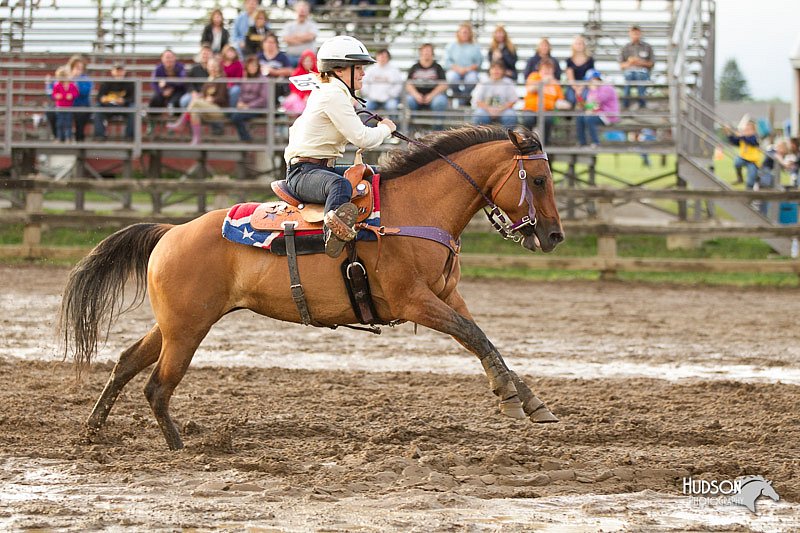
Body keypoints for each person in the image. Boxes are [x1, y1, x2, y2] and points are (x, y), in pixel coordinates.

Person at [284, 36, 395, 258]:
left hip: (316, 169)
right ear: (339, 69)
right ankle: (331, 239)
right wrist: (386, 129)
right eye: (359, 67)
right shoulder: (333, 94)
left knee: (376, 174)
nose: (363, 73)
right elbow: (362, 138)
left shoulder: (332, 91)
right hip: (303, 173)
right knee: (340, 185)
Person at [167, 57, 229, 145]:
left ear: (218, 67)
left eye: (214, 66)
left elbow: (222, 98)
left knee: (195, 102)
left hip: (218, 110)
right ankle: (196, 139)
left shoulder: (222, 79)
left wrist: (213, 99)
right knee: (195, 111)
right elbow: (203, 94)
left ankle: (181, 123)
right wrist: (201, 97)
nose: (212, 69)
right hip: (207, 109)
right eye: (210, 66)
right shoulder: (209, 79)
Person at [522, 58, 566, 143]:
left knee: (548, 120)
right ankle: (527, 143)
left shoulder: (555, 83)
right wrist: (543, 82)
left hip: (547, 110)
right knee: (528, 119)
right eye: (545, 68)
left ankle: (545, 145)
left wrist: (564, 104)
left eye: (549, 68)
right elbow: (531, 89)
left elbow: (560, 99)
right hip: (531, 109)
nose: (547, 71)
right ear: (540, 69)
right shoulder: (534, 76)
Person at [575, 69, 620, 147]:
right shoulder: (593, 90)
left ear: (597, 79)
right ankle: (582, 143)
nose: (589, 83)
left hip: (609, 116)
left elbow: (597, 101)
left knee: (589, 119)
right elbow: (589, 105)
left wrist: (593, 90)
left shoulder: (606, 87)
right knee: (580, 117)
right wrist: (579, 96)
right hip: (598, 114)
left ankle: (596, 142)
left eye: (591, 80)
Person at [230, 56, 269, 141]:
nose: (252, 67)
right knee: (231, 114)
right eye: (250, 66)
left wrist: (248, 106)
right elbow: (241, 94)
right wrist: (240, 102)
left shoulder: (264, 80)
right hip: (244, 107)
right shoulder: (245, 78)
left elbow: (263, 99)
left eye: (254, 65)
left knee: (236, 117)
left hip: (258, 107)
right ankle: (246, 138)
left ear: (258, 67)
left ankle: (246, 139)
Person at [93, 62, 135, 141]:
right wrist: (103, 99)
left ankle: (129, 137)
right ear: (112, 71)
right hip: (109, 106)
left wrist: (124, 101)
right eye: (117, 70)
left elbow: (133, 98)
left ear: (124, 71)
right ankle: (100, 136)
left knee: (134, 109)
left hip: (124, 107)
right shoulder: (106, 82)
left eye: (121, 70)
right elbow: (99, 97)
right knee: (98, 107)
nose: (119, 73)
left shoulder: (130, 83)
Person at [444, 22, 482, 103]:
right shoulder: (451, 46)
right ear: (458, 33)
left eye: (466, 32)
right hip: (455, 70)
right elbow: (447, 61)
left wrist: (467, 69)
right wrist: (458, 69)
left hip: (470, 71)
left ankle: (463, 99)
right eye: (463, 32)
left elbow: (478, 62)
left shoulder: (475, 46)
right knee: (451, 78)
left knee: (472, 79)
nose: (464, 34)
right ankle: (459, 96)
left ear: (470, 34)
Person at [472, 61, 518, 128]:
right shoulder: (483, 82)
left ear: (503, 71)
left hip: (503, 110)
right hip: (485, 110)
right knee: (479, 114)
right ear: (490, 70)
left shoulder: (508, 82)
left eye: (499, 69)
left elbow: (513, 100)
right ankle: (483, 137)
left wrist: (500, 109)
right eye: (493, 68)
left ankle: (507, 137)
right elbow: (477, 100)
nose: (496, 71)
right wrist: (489, 109)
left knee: (510, 115)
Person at [405, 43, 448, 113]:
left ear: (432, 53)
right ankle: (413, 123)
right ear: (420, 53)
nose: (426, 52)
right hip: (417, 96)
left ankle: (437, 124)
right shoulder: (414, 67)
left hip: (434, 96)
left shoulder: (438, 67)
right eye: (424, 50)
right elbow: (408, 84)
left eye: (428, 51)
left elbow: (443, 85)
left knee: (440, 101)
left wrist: (431, 96)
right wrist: (416, 95)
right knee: (408, 99)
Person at [619, 24, 654, 110]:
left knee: (640, 75)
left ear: (640, 34)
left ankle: (642, 103)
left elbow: (651, 63)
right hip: (629, 71)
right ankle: (625, 104)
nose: (635, 35)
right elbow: (621, 65)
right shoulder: (625, 47)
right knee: (629, 76)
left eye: (637, 33)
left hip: (643, 72)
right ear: (630, 34)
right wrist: (630, 62)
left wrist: (640, 62)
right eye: (633, 33)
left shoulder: (647, 47)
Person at [360, 49, 404, 118]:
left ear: (388, 58)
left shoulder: (394, 70)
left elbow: (398, 85)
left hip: (389, 99)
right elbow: (364, 83)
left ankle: (393, 127)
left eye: (384, 56)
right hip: (372, 98)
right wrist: (369, 94)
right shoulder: (370, 69)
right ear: (377, 57)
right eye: (380, 56)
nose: (382, 58)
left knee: (392, 107)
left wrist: (390, 94)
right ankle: (367, 127)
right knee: (366, 107)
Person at [148, 49, 187, 115]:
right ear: (162, 59)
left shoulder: (180, 67)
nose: (169, 60)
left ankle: (176, 120)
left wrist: (168, 84)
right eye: (167, 57)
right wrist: (162, 92)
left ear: (174, 58)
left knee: (176, 102)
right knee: (155, 100)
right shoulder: (158, 68)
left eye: (171, 57)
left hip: (177, 91)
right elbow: (153, 84)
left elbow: (182, 82)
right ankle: (152, 119)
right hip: (163, 91)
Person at [258, 32, 293, 103]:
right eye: (268, 42)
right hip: (261, 83)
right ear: (263, 44)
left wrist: (274, 72)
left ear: (276, 44)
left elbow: (290, 71)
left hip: (277, 85)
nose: (270, 44)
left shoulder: (282, 57)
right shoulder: (259, 56)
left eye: (272, 42)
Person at [724, 120, 761, 188]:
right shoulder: (743, 138)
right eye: (745, 130)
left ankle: (750, 190)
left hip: (753, 162)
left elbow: (752, 142)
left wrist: (741, 136)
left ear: (754, 131)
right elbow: (734, 141)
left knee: (750, 182)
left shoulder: (754, 138)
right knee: (737, 161)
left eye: (749, 130)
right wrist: (728, 133)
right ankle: (740, 178)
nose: (747, 131)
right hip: (743, 158)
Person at [282, 1, 319, 67]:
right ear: (296, 10)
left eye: (304, 9)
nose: (302, 11)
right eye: (300, 9)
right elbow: (286, 39)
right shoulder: (288, 25)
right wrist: (304, 38)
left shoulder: (313, 24)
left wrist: (295, 37)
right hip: (291, 57)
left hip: (308, 59)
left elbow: (310, 37)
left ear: (308, 11)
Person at [282, 49, 317, 116]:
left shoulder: (318, 74)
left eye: (310, 61)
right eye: (305, 61)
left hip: (313, 98)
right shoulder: (297, 73)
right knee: (292, 101)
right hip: (299, 98)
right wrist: (303, 96)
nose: (307, 63)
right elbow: (293, 89)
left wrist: (309, 96)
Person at [68, 54, 93, 142]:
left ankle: (79, 139)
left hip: (81, 105)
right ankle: (59, 137)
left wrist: (75, 81)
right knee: (52, 113)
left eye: (80, 68)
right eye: (76, 67)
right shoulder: (65, 77)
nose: (78, 70)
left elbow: (84, 93)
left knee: (80, 114)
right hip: (66, 105)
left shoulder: (86, 79)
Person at [50, 66, 78, 143]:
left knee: (68, 123)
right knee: (59, 123)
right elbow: (54, 94)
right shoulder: (57, 85)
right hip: (60, 107)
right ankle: (59, 138)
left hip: (69, 107)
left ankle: (68, 138)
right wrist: (56, 96)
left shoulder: (72, 85)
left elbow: (76, 93)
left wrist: (71, 95)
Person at [564, 35, 594, 107]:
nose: (579, 46)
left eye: (581, 43)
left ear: (584, 45)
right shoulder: (569, 60)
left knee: (585, 96)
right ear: (573, 46)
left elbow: (590, 76)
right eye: (577, 44)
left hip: (585, 84)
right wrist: (576, 89)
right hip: (573, 85)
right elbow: (570, 78)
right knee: (571, 98)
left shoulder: (590, 60)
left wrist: (581, 88)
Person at [181, 44, 212, 109]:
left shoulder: (214, 68)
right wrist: (193, 92)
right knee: (184, 101)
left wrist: (204, 94)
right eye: (203, 53)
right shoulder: (194, 68)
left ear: (211, 55)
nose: (205, 55)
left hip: (209, 94)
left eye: (207, 53)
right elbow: (188, 82)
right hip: (195, 93)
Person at [221, 44, 244, 108]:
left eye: (232, 52)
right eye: (229, 51)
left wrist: (230, 84)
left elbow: (239, 78)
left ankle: (231, 109)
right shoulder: (220, 63)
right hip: (222, 85)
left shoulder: (238, 64)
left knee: (235, 90)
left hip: (234, 85)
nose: (230, 53)